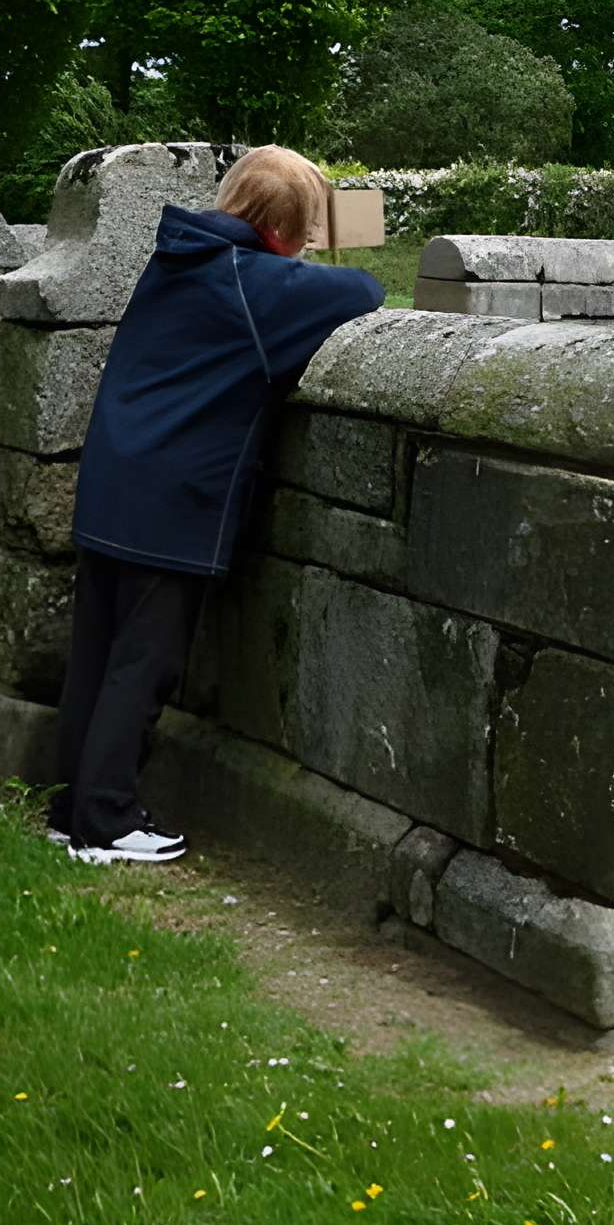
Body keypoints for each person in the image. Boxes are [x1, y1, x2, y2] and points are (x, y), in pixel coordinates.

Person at [45, 145, 383, 864]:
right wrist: (320, 249)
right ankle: (105, 822)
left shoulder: (182, 254)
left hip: (113, 483)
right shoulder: (255, 282)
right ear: (290, 229)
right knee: (145, 664)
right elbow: (363, 293)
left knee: (97, 655)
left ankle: (69, 805)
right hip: (173, 500)